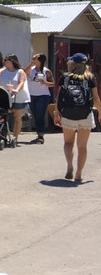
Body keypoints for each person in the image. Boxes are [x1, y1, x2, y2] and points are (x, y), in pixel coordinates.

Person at [54, 53, 101, 182]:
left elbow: (59, 98)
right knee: (82, 146)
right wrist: (100, 113)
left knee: (68, 143)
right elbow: (96, 99)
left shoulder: (65, 77)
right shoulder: (90, 78)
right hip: (85, 114)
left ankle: (69, 165)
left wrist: (57, 113)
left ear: (72, 63)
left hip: (68, 114)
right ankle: (79, 173)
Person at [0, 53, 29, 143]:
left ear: (12, 61)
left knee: (17, 117)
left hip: (17, 96)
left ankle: (15, 137)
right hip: (4, 96)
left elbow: (21, 82)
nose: (4, 62)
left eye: (6, 60)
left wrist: (16, 89)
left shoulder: (20, 71)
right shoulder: (2, 71)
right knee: (4, 116)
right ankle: (3, 134)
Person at [26, 53, 55, 143]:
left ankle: (41, 135)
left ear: (40, 60)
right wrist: (31, 64)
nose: (33, 60)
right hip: (32, 95)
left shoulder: (46, 71)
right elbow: (23, 73)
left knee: (40, 114)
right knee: (35, 114)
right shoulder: (31, 70)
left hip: (42, 96)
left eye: (35, 58)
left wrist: (45, 83)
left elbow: (53, 83)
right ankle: (39, 133)